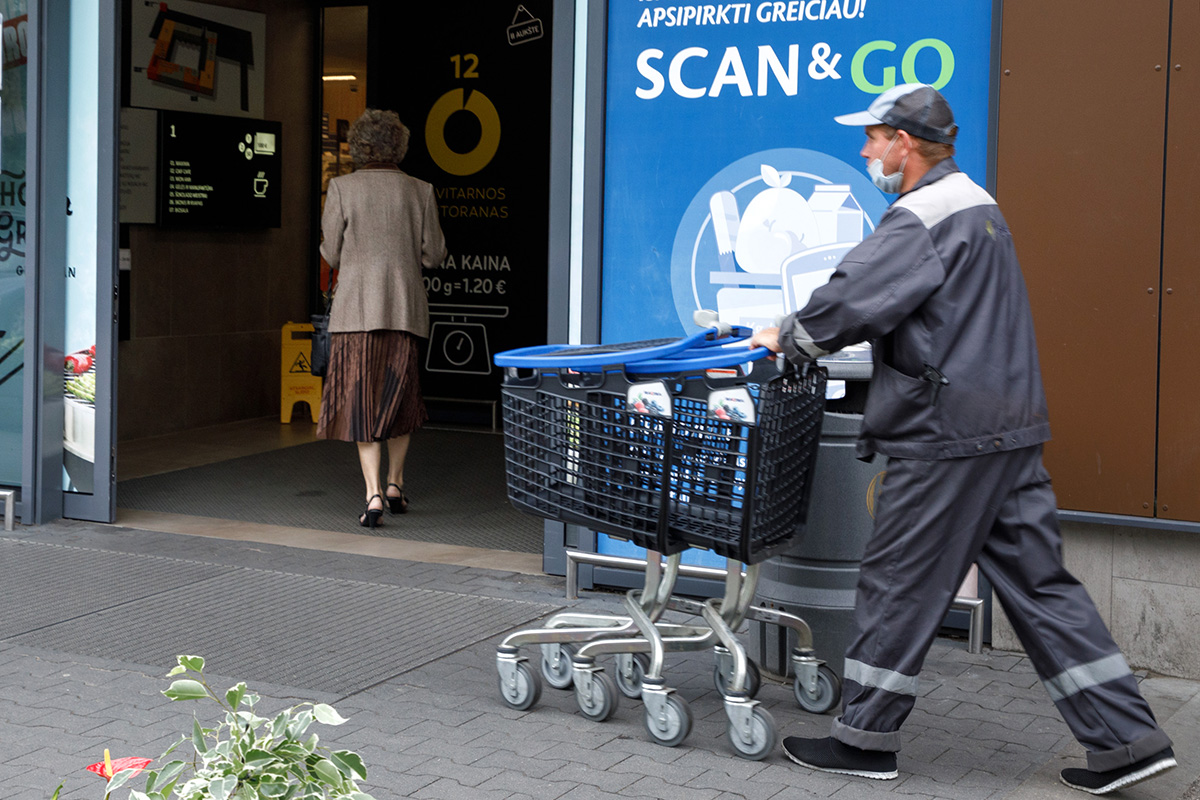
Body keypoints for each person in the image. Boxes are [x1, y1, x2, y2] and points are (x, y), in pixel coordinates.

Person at [750, 84, 1176, 795]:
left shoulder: (921, 214)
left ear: (904, 144)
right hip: (1007, 427)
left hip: (945, 434)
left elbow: (855, 296)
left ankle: (863, 741)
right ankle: (1129, 740)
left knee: (897, 580)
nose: (864, 151)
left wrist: (788, 335)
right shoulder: (979, 204)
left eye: (872, 137)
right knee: (1042, 586)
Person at [316, 109, 447, 529]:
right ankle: (395, 483)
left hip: (355, 311)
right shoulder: (420, 190)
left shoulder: (341, 188)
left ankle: (372, 494)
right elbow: (434, 255)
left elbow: (331, 253)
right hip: (404, 310)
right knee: (401, 398)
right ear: (400, 146)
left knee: (360, 402)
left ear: (359, 146)